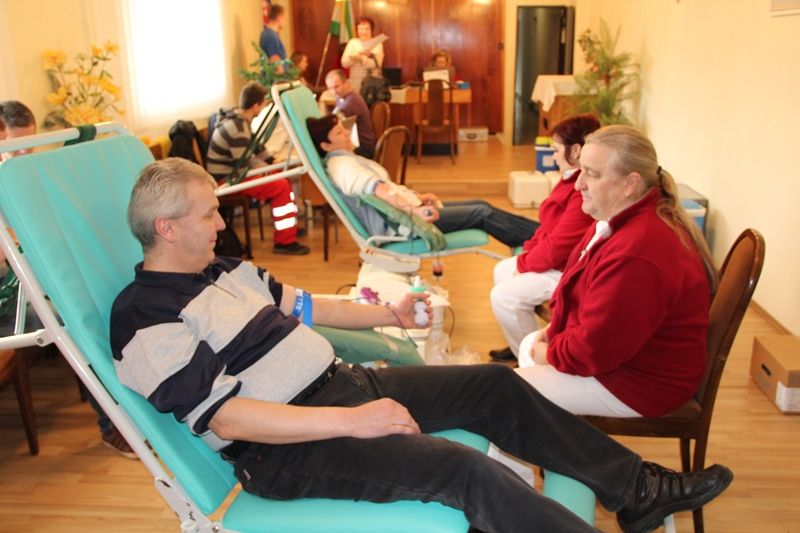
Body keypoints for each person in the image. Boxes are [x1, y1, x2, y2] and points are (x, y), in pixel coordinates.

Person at [110, 157, 732, 533]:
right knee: (465, 470)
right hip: (283, 449)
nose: (221, 223)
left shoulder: (225, 270)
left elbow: (306, 305)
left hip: (343, 386)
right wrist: (354, 422)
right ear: (167, 228)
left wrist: (389, 312)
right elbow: (225, 418)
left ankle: (636, 490)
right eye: (208, 214)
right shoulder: (144, 316)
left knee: (494, 385)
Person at [514, 125, 717, 419]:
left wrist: (551, 352)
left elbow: (595, 349)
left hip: (642, 382)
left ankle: (556, 440)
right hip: (621, 360)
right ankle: (556, 437)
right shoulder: (614, 221)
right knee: (526, 351)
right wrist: (554, 330)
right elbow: (583, 300)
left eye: (592, 174)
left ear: (630, 184)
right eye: (580, 170)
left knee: (509, 397)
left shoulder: (639, 251)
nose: (578, 184)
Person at [0, 100, 137, 459]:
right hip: (8, 300)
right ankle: (112, 427)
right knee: (74, 324)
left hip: (25, 283)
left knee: (99, 298)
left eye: (29, 145)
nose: (23, 154)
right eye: (16, 146)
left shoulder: (20, 180)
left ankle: (133, 406)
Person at [307, 114, 539, 248]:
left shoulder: (346, 159)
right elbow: (379, 190)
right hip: (402, 225)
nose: (347, 134)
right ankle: (540, 240)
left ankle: (542, 234)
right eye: (339, 133)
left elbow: (387, 190)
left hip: (406, 214)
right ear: (325, 146)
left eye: (343, 129)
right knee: (482, 213)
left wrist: (417, 197)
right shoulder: (342, 166)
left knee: (482, 205)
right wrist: (415, 211)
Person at [489, 114, 600, 361]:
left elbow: (560, 244)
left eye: (557, 149)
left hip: (568, 269)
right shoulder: (568, 180)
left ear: (576, 150)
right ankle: (520, 340)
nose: (554, 156)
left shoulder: (580, 189)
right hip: (558, 262)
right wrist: (527, 255)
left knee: (503, 296)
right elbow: (548, 229)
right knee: (502, 270)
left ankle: (529, 358)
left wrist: (525, 263)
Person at [206, 82, 309, 255]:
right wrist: (267, 168)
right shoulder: (237, 126)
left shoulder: (240, 120)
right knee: (281, 186)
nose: (264, 107)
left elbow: (256, 148)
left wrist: (272, 163)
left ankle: (288, 227)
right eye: (264, 104)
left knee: (281, 176)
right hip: (226, 180)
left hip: (235, 173)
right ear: (256, 106)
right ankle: (284, 241)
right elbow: (245, 161)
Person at [325, 69, 377, 159]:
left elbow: (332, 125)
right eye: (330, 88)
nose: (334, 92)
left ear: (346, 83)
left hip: (363, 149)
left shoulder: (352, 101)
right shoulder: (342, 98)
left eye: (336, 87)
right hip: (356, 145)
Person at [341, 16, 384, 93]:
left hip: (371, 83)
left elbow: (377, 64)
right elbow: (344, 63)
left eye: (367, 29)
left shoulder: (377, 44)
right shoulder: (352, 42)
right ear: (357, 30)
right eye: (361, 29)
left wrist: (362, 59)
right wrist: (357, 56)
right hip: (354, 81)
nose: (364, 32)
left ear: (371, 29)